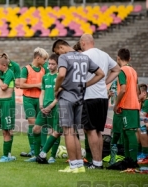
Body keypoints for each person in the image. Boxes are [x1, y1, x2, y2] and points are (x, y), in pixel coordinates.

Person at [52, 39, 104, 173]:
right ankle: (79, 165)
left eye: (58, 52)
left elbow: (61, 74)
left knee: (68, 131)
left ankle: (73, 165)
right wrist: (86, 84)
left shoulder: (64, 57)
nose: (59, 55)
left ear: (62, 47)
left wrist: (56, 88)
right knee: (75, 132)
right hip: (80, 97)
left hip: (66, 96)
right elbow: (101, 74)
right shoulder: (84, 57)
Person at [79, 34, 121, 169]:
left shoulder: (85, 56)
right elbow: (117, 69)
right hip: (103, 98)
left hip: (89, 96)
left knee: (90, 130)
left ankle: (96, 163)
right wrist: (105, 82)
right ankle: (99, 161)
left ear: (83, 43)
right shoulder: (104, 54)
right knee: (98, 131)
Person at [29, 54, 62, 164]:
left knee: (54, 131)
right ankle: (37, 155)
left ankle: (52, 156)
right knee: (35, 129)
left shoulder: (60, 77)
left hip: (55, 107)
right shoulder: (45, 76)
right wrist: (41, 106)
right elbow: (42, 92)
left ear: (58, 65)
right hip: (44, 108)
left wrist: (50, 106)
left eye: (53, 64)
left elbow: (59, 96)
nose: (50, 66)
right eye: (49, 63)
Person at [111, 48, 140, 163]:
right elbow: (137, 90)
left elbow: (122, 89)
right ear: (130, 58)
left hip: (127, 105)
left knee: (129, 132)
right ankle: (129, 160)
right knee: (127, 131)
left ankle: (132, 161)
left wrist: (116, 104)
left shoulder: (122, 70)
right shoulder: (133, 70)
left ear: (118, 58)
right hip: (134, 105)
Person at [20, 47, 48, 157]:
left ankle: (42, 148)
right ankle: (33, 149)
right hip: (28, 99)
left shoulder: (44, 69)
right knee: (32, 123)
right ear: (38, 58)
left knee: (42, 124)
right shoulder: (26, 69)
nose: (45, 61)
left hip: (41, 100)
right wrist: (37, 85)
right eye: (44, 59)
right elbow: (22, 85)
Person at [138, 84, 148, 161]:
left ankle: (145, 153)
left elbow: (142, 116)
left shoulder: (147, 102)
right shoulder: (142, 102)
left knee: (141, 128)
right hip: (145, 122)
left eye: (138, 93)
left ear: (144, 93)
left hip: (145, 123)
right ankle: (139, 151)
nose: (136, 95)